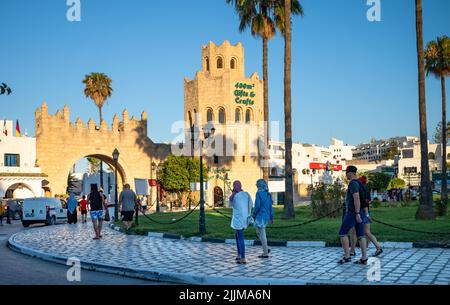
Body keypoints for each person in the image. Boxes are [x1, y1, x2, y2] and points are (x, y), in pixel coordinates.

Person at [338, 166, 369, 265]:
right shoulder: (360, 183)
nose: (346, 175)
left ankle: (347, 256)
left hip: (353, 213)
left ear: (350, 173)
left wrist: (356, 213)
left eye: (346, 173)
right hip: (360, 212)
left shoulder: (353, 183)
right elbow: (364, 200)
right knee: (361, 235)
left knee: (342, 233)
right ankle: (364, 258)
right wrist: (365, 214)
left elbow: (356, 198)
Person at [349, 176, 383, 258]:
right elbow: (367, 203)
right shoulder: (366, 190)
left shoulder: (359, 190)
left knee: (354, 232)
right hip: (366, 212)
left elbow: (363, 203)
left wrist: (365, 214)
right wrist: (368, 214)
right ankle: (378, 247)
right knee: (367, 232)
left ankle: (352, 251)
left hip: (360, 213)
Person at [230, 180, 253, 264]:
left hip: (240, 219)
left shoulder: (241, 195)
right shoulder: (246, 194)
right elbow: (251, 204)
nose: (234, 187)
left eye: (235, 185)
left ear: (239, 186)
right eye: (234, 185)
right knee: (237, 235)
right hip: (242, 218)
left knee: (240, 237)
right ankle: (239, 254)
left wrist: (233, 193)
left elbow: (230, 201)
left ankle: (243, 257)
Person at [252, 179, 274, 258]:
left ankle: (265, 253)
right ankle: (266, 248)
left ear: (259, 186)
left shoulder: (258, 193)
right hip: (266, 216)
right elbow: (271, 207)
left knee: (262, 233)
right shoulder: (268, 194)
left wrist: (253, 215)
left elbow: (257, 206)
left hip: (260, 216)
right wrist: (272, 217)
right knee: (258, 232)